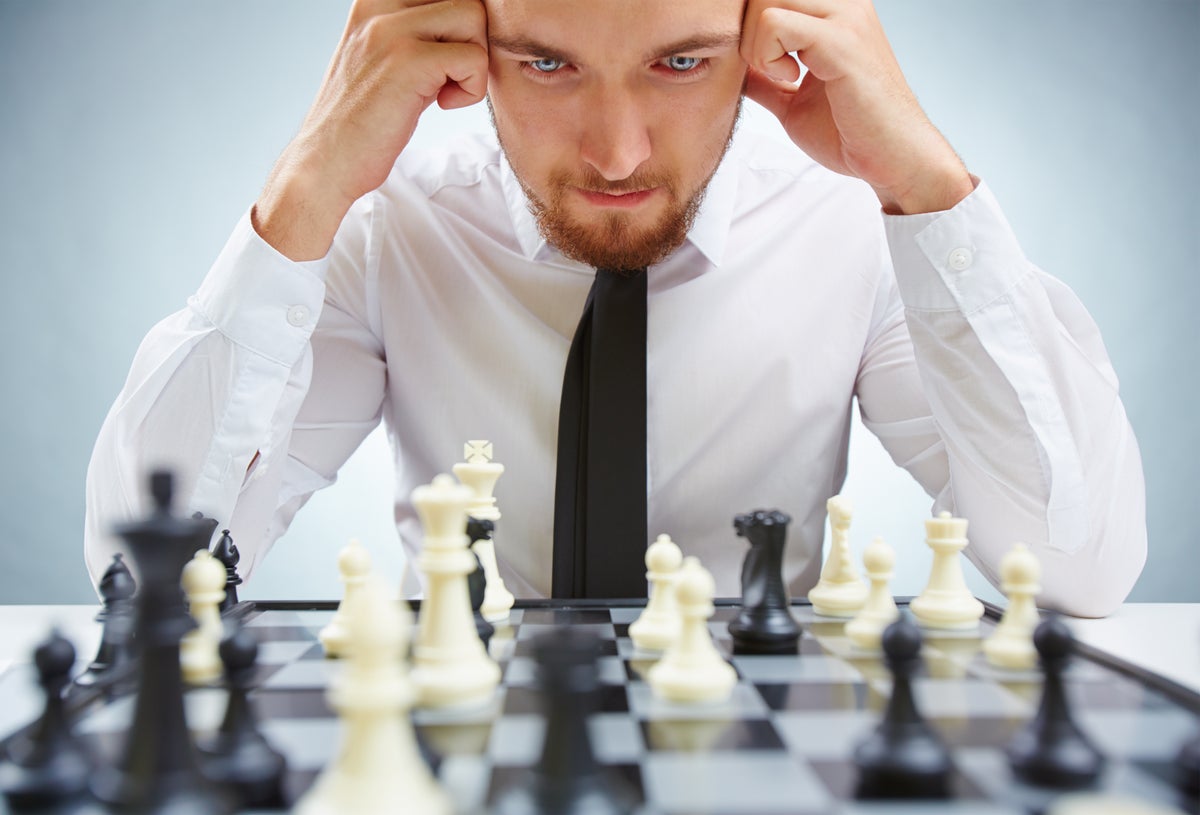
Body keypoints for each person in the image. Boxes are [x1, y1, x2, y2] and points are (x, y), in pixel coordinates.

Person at [84, 0, 1146, 616]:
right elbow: (150, 577)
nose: (618, 153)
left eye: (680, 62)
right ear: (461, 42)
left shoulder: (855, 226)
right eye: (545, 62)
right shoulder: (385, 229)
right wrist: (306, 184)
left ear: (763, 41)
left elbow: (1076, 569)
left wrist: (928, 187)